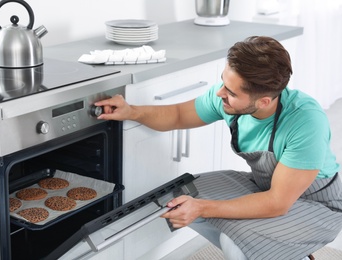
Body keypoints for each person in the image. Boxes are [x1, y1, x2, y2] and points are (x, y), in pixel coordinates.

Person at [94, 36, 342, 260]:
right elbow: (179, 115)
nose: (220, 93)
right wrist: (131, 111)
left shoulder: (306, 120)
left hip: (317, 205)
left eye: (230, 92)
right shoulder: (230, 97)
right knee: (177, 196)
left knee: (239, 240)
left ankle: (275, 251)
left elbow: (277, 203)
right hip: (265, 187)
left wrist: (202, 207)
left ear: (264, 101)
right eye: (223, 82)